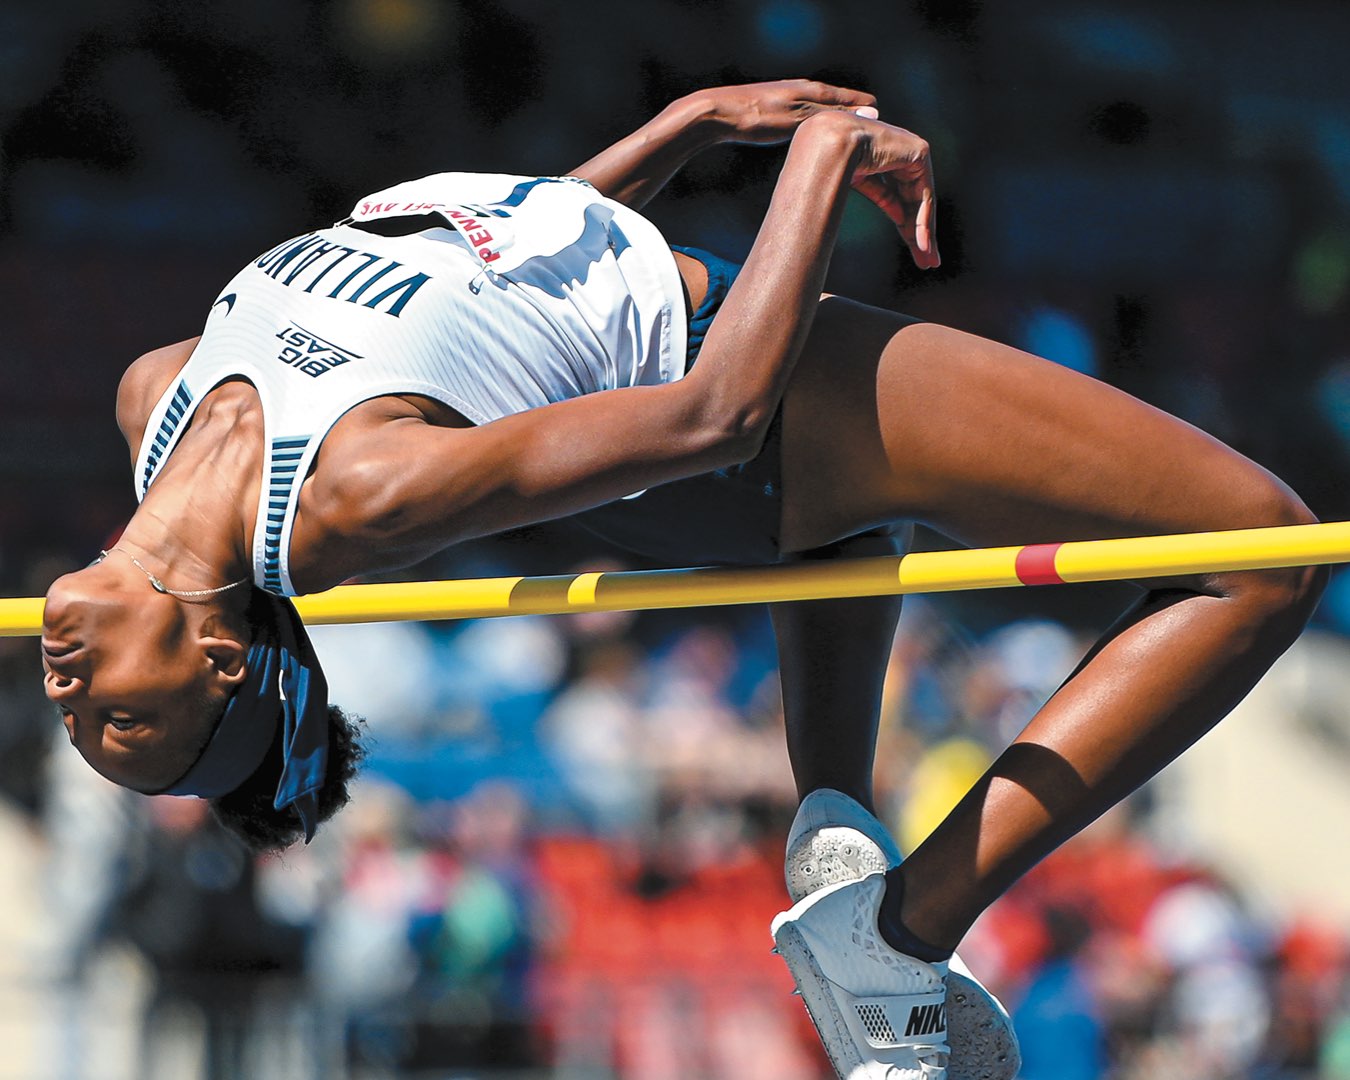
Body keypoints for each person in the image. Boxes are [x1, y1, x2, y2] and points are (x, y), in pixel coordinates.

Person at [39, 79, 1324, 1080]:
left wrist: (684, 130)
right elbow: (716, 414)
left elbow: (482, 277)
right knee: (1259, 549)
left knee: (846, 541)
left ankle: (837, 832)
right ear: (218, 655)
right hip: (736, 398)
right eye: (122, 721)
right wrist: (818, 165)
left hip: (706, 414)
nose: (66, 695)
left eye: (85, 721)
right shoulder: (353, 494)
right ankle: (905, 931)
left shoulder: (155, 395)